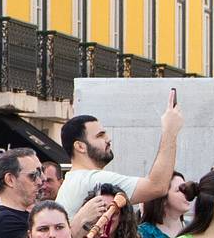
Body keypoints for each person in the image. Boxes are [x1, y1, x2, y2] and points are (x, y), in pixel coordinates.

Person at [55, 93, 183, 218]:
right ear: (80, 147)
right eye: (100, 135)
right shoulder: (92, 180)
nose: (108, 139)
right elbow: (156, 186)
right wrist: (170, 131)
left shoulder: (77, 180)